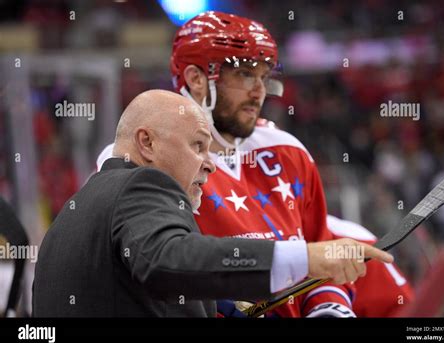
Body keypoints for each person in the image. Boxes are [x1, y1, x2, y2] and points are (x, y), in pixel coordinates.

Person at [96, 11, 411, 317]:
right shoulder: (142, 159)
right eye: (244, 74)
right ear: (196, 79)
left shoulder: (288, 151)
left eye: (264, 76)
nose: (259, 91)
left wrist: (329, 309)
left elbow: (319, 251)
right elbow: (163, 266)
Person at [33, 90, 393, 317]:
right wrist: (308, 258)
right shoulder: (140, 185)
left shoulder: (73, 214)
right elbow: (168, 260)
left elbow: (151, 280)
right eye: (198, 146)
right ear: (147, 144)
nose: (210, 162)